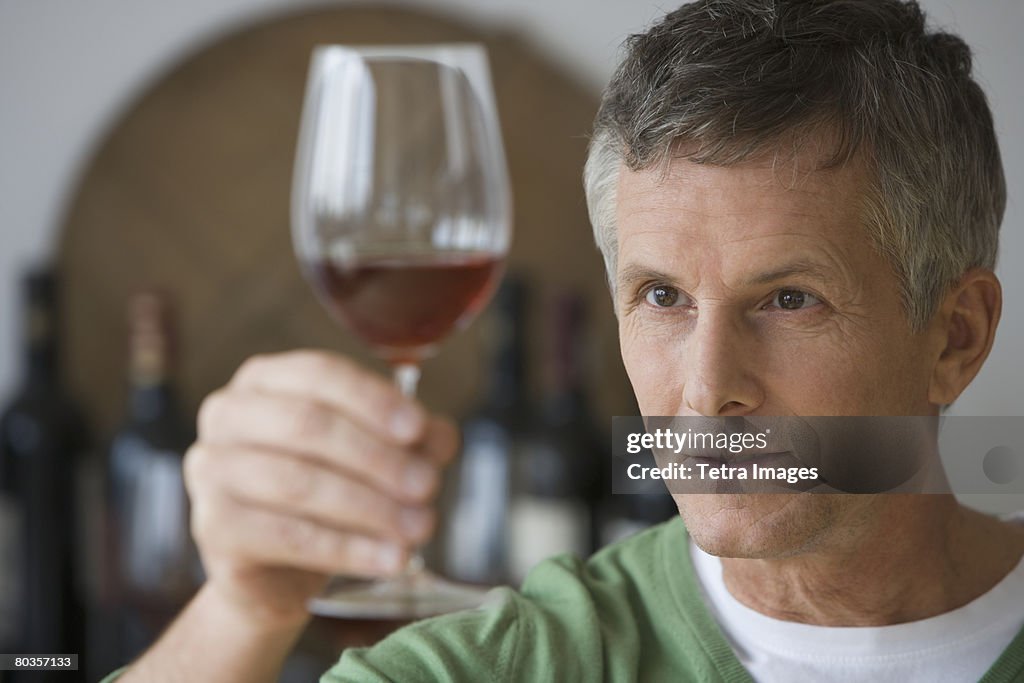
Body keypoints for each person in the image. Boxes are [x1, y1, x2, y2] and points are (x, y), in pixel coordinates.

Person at [105, 1, 1024, 681]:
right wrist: (242, 609)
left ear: (957, 334)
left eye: (788, 298)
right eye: (661, 295)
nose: (706, 391)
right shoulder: (515, 661)